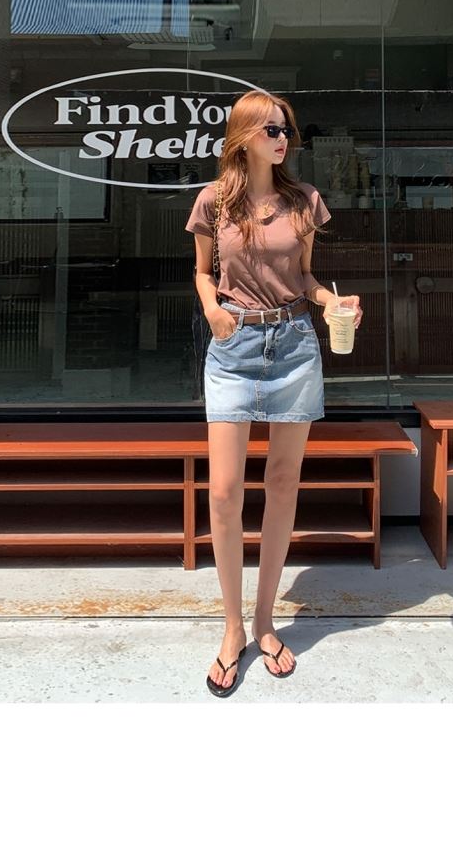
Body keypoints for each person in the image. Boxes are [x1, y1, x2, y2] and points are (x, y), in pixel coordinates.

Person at [186, 90, 363, 695]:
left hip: (293, 345)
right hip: (233, 347)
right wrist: (211, 308)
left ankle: (264, 621)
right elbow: (202, 272)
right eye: (270, 129)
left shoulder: (304, 201)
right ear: (243, 137)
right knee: (224, 492)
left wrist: (331, 302)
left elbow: (306, 277)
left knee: (283, 483)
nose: (282, 138)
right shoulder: (213, 201)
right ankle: (231, 626)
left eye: (285, 128)